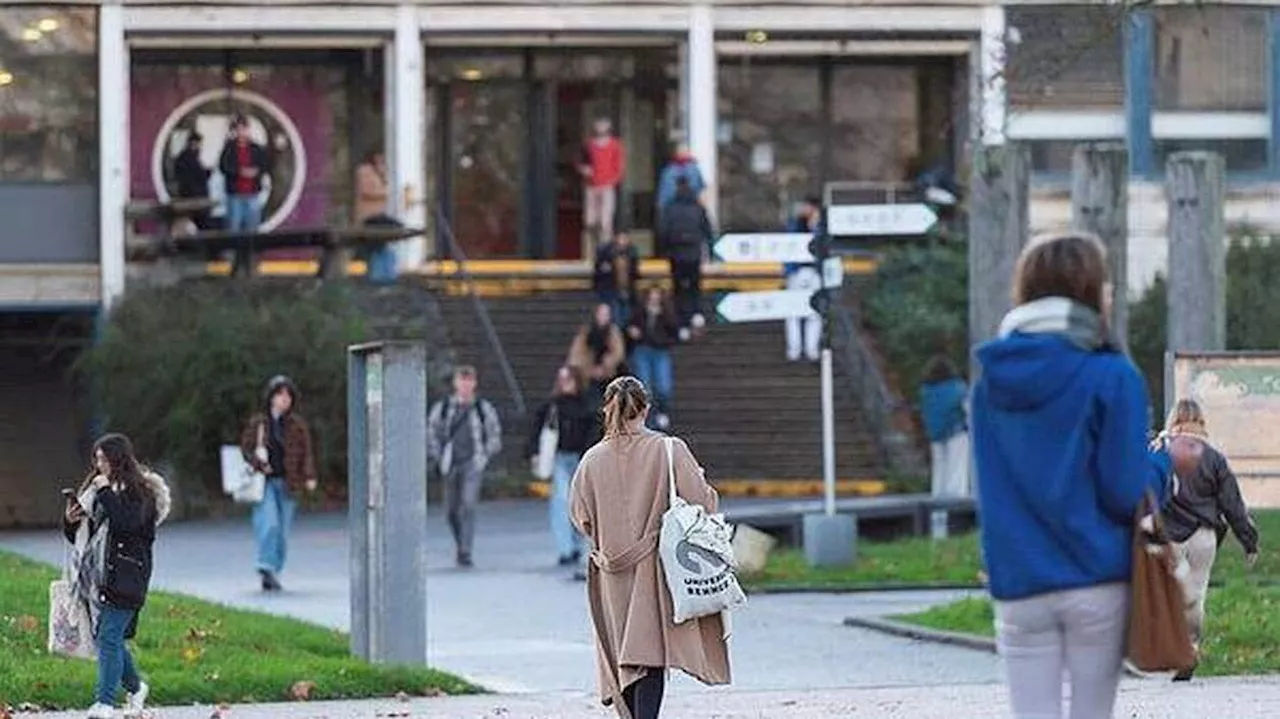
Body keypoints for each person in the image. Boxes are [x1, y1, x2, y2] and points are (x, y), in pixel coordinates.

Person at [970, 232, 1198, 719]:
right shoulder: (1112, 376)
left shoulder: (990, 381)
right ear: (1090, 291)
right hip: (1096, 577)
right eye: (1107, 283)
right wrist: (1164, 463)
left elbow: (988, 489)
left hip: (1018, 581)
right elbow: (1123, 491)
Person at [570, 376, 730, 719]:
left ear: (608, 411)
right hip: (654, 570)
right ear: (645, 408)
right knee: (650, 655)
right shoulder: (669, 450)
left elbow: (580, 517)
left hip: (611, 574)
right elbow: (704, 503)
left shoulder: (591, 461)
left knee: (625, 658)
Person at [64, 434, 171, 719]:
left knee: (109, 637)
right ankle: (136, 688)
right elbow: (85, 535)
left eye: (104, 459)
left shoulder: (142, 493)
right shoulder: (99, 491)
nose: (99, 466)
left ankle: (105, 702)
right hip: (98, 576)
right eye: (96, 459)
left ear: (118, 459)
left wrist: (105, 492)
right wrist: (70, 520)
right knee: (107, 637)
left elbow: (126, 524)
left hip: (127, 575)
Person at [1155, 398, 1259, 681]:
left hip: (1169, 536)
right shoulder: (1214, 458)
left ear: (1173, 419)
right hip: (1204, 536)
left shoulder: (1161, 452)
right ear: (1201, 421)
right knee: (1196, 596)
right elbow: (1232, 504)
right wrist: (1248, 540)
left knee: (1170, 593)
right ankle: (1191, 648)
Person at [240, 375, 318, 592]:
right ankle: (265, 566)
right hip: (263, 483)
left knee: (282, 531)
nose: (284, 399)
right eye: (280, 394)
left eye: (288, 395)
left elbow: (306, 453)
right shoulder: (259, 423)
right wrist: (258, 462)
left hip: (288, 483)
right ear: (271, 397)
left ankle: (273, 569)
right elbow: (245, 449)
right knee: (269, 524)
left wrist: (309, 475)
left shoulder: (297, 426)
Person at [428, 365, 503, 568]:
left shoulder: (482, 408)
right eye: (462, 380)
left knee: (468, 505)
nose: (465, 385)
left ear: (475, 383)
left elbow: (494, 433)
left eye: (469, 380)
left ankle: (465, 550)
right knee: (450, 510)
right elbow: (432, 431)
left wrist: (485, 455)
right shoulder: (444, 408)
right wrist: (437, 453)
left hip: (473, 462)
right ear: (455, 383)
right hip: (450, 462)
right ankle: (460, 540)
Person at [527, 365, 600, 573]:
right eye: (562, 379)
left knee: (580, 503)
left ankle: (576, 545)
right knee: (560, 501)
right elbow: (535, 430)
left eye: (568, 379)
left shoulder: (586, 405)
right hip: (559, 457)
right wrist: (534, 453)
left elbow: (594, 431)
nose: (565, 383)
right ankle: (565, 549)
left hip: (579, 457)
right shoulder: (551, 406)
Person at [919, 355, 970, 539]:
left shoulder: (926, 391)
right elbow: (968, 410)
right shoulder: (958, 388)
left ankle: (937, 518)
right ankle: (957, 515)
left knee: (939, 474)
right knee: (957, 472)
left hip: (935, 435)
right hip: (956, 433)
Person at [658, 176, 713, 334]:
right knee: (695, 288)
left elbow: (663, 231)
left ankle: (681, 323)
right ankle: (696, 317)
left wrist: (665, 250)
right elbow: (707, 229)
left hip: (676, 254)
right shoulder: (697, 207)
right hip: (694, 254)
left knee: (679, 289)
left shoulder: (670, 207)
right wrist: (709, 250)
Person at [627, 287, 681, 430]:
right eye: (652, 295)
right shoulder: (640, 311)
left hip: (660, 351)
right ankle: (649, 418)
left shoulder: (667, 313)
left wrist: (661, 317)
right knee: (645, 386)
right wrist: (632, 331)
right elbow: (629, 325)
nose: (654, 298)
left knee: (663, 387)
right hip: (642, 350)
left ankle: (662, 411)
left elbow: (674, 332)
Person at [784, 196, 823, 362]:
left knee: (815, 313)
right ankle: (794, 349)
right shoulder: (795, 224)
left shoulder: (821, 227)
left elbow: (824, 247)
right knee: (792, 312)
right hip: (796, 271)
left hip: (815, 272)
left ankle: (811, 348)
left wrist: (815, 226)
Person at [353, 149, 398, 283]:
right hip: (369, 216)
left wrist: (383, 173)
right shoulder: (364, 171)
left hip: (379, 215)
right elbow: (368, 191)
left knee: (383, 244)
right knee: (375, 246)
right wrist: (387, 190)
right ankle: (377, 277)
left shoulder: (380, 173)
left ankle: (385, 276)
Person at [579, 117, 625, 247]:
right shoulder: (589, 144)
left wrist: (612, 181)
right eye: (598, 126)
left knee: (605, 221)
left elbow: (619, 167)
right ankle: (590, 249)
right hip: (591, 186)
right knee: (590, 220)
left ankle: (605, 248)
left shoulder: (615, 145)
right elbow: (580, 161)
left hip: (606, 186)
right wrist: (584, 169)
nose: (600, 130)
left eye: (603, 127)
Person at [568, 303, 628, 401]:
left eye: (606, 314)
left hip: (610, 375)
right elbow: (576, 353)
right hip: (588, 375)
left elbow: (618, 352)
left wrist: (604, 367)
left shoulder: (613, 331)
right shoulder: (586, 332)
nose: (603, 317)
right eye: (601, 314)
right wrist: (589, 369)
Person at [593, 232, 641, 328]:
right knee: (615, 320)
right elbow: (598, 274)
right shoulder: (606, 254)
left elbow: (635, 274)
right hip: (610, 292)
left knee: (627, 319)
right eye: (621, 238)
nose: (623, 242)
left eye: (625, 238)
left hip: (627, 291)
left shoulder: (632, 254)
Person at [173, 132, 214, 231]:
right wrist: (207, 172)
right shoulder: (189, 158)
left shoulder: (183, 157)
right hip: (195, 198)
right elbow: (198, 175)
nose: (200, 146)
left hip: (189, 196)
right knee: (201, 225)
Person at [655, 144, 705, 220]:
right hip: (690, 209)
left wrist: (661, 207)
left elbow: (664, 193)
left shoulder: (669, 170)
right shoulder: (694, 169)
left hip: (674, 209)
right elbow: (700, 189)